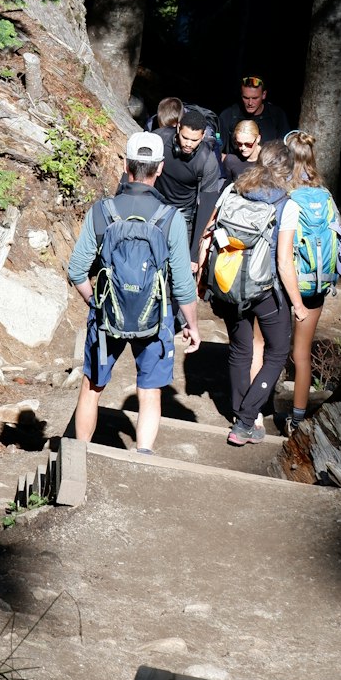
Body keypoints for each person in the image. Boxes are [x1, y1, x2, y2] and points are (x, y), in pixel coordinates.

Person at [68, 131, 201, 453]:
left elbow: (76, 270)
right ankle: (142, 458)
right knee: (150, 390)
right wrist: (192, 325)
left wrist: (97, 302)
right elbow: (183, 283)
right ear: (161, 168)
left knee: (91, 387)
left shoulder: (101, 211)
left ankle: (78, 456)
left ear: (126, 166)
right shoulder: (171, 218)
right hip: (155, 319)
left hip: (106, 318)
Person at [197, 143, 293, 445]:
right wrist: (299, 306)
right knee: (277, 352)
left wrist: (202, 278)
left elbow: (207, 234)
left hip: (228, 283)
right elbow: (283, 261)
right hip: (265, 290)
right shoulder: (286, 204)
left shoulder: (231, 191)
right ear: (288, 171)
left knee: (240, 350)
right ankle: (246, 420)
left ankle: (241, 416)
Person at [277, 129, 338, 436]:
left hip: (284, 282)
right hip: (316, 282)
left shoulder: (285, 196)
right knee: (301, 354)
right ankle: (297, 419)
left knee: (269, 347)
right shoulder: (325, 196)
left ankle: (255, 412)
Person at [154, 107, 226, 254]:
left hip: (183, 216)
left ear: (203, 135)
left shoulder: (207, 160)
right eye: (184, 137)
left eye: (194, 140)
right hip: (154, 206)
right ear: (178, 128)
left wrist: (193, 254)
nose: (188, 144)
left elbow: (206, 206)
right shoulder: (159, 139)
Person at [217, 76, 290, 155]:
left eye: (255, 98)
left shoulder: (276, 115)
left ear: (264, 95)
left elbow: (285, 149)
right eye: (246, 98)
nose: (250, 103)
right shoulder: (228, 115)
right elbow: (217, 149)